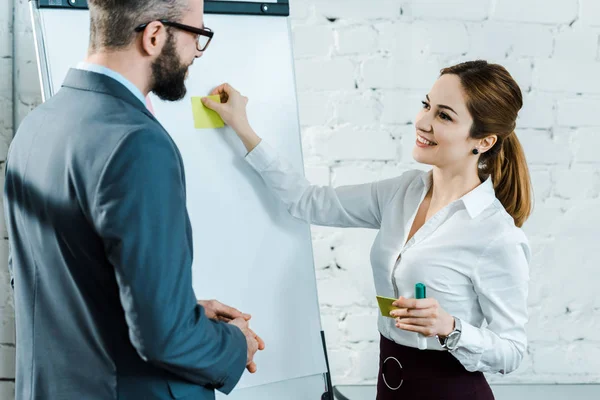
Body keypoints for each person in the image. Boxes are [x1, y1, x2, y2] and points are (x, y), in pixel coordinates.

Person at [203, 60, 532, 399]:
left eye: (444, 116)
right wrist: (241, 126)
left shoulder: (496, 235)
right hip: (390, 384)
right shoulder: (401, 193)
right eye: (426, 105)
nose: (422, 122)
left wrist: (450, 328)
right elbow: (308, 201)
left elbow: (512, 351)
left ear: (484, 140)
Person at [3, 0, 264, 399]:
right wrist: (234, 343)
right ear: (155, 36)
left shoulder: (39, 123)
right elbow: (165, 338)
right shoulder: (138, 142)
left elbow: (47, 280)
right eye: (197, 35)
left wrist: (179, 307)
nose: (197, 50)